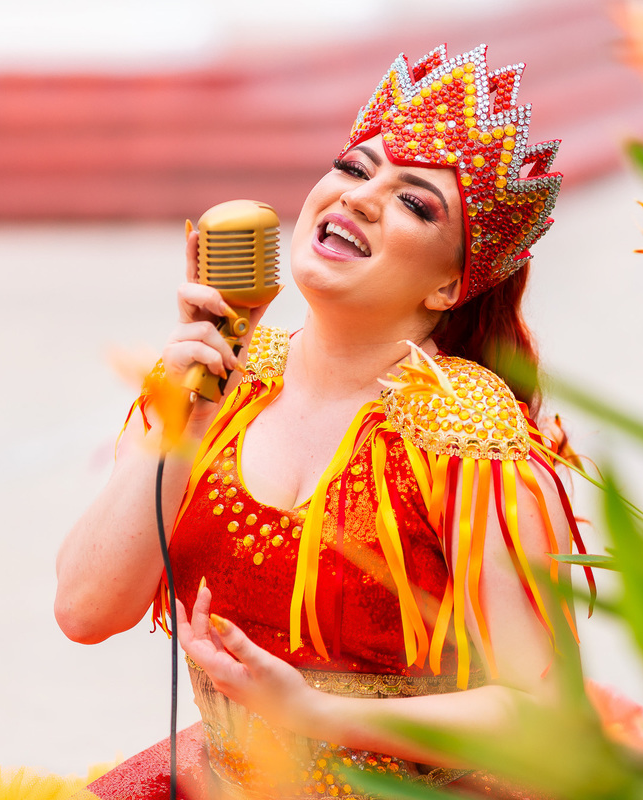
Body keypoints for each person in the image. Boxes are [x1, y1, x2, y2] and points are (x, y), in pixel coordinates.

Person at [52, 43, 592, 800]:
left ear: (449, 286)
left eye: (414, 203)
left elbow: (546, 717)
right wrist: (188, 421)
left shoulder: (470, 435)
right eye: (353, 168)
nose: (360, 198)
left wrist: (316, 712)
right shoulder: (218, 380)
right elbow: (84, 610)